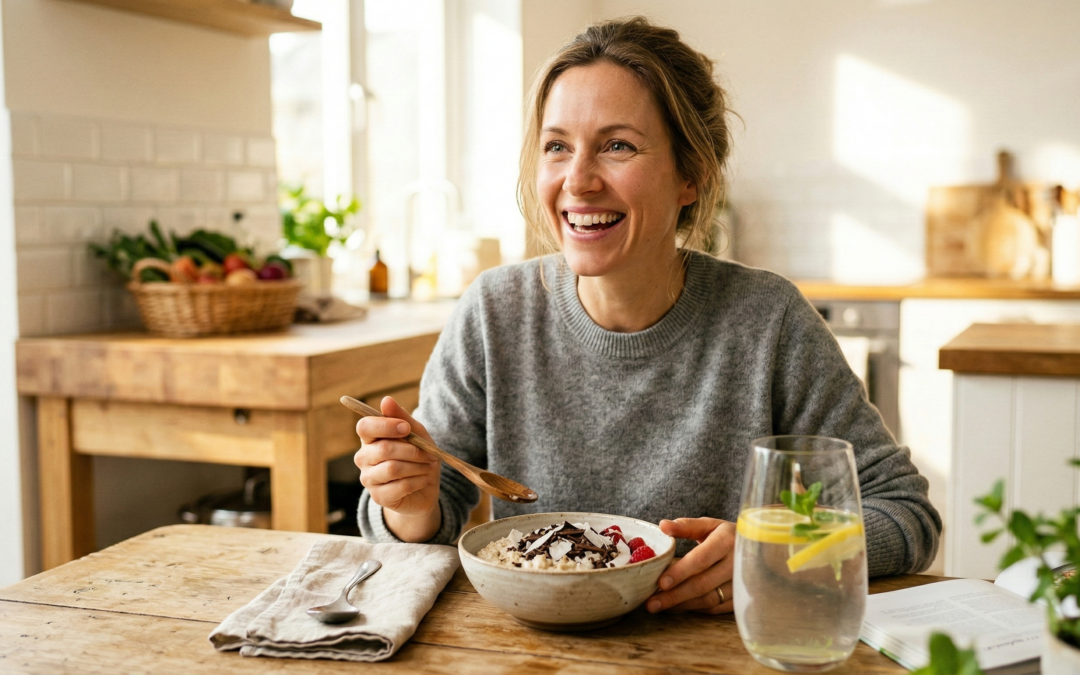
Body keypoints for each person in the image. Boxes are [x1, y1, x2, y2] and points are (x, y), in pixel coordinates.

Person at [354, 16, 941, 615]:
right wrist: (409, 500)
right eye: (557, 146)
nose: (577, 182)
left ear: (692, 175)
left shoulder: (768, 320)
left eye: (618, 146)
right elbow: (427, 513)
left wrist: (774, 550)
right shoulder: (494, 311)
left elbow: (906, 514)